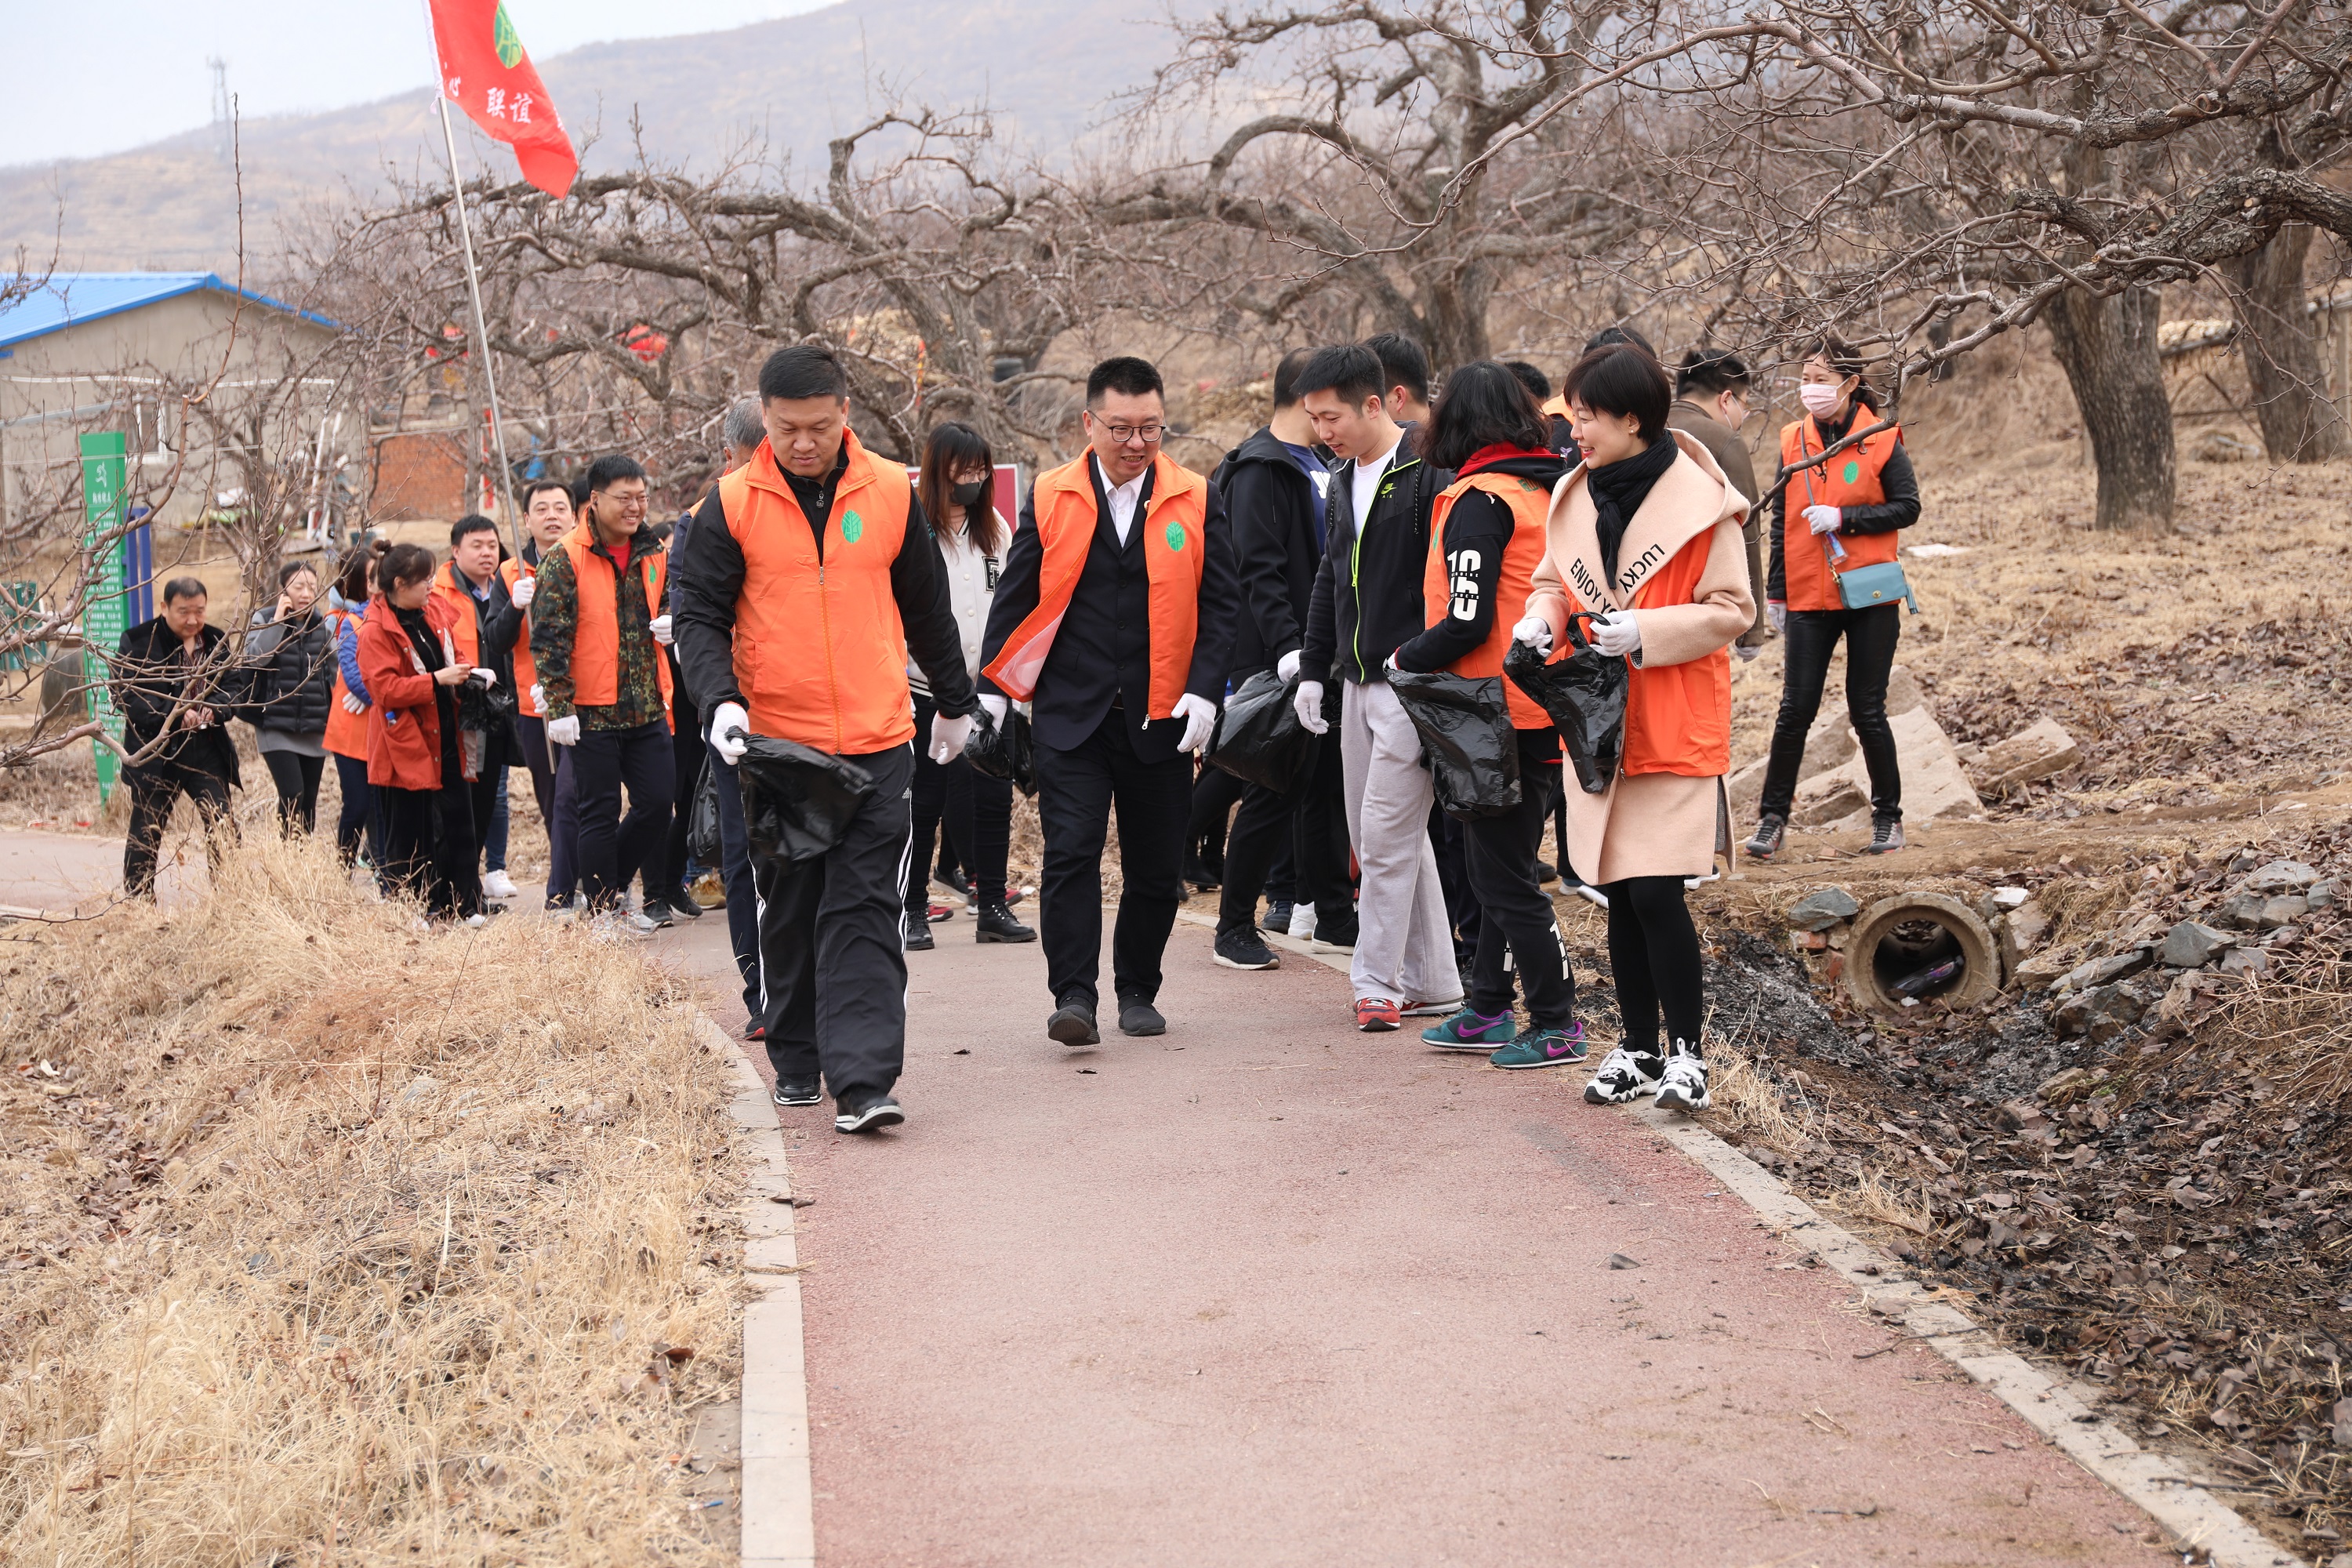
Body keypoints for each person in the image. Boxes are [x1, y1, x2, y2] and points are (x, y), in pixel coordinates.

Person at [675, 344, 978, 1134]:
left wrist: (954, 703)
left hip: (879, 736)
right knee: (791, 906)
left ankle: (863, 1080)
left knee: (865, 907)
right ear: (764, 419)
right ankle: (798, 1054)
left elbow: (926, 606)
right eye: (786, 429)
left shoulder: (889, 492)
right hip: (780, 749)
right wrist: (720, 702)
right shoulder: (729, 506)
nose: (803, 443)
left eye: (818, 426)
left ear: (846, 412)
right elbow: (699, 616)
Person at [1519, 341, 1755, 1112]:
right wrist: (1541, 619)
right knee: (1619, 894)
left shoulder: (1703, 499)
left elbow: (1733, 608)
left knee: (1656, 893)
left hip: (1673, 717)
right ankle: (1639, 1049)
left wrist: (1646, 631)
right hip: (1596, 722)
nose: (1574, 430)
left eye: (1587, 417)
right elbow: (1553, 580)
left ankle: (1688, 1057)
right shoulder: (1574, 492)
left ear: (1632, 419)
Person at [978, 354, 1239, 1047]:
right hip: (1073, 714)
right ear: (1089, 423)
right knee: (1071, 853)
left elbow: (1222, 605)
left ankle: (1137, 989)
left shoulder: (1196, 496)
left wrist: (1205, 692)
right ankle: (1074, 994)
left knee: (1156, 864)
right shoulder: (1050, 494)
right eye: (1121, 428)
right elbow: (1016, 597)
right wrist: (992, 693)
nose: (1136, 442)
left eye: (1150, 428)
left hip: (1163, 713)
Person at [1389, 363, 1581, 1065]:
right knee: (1501, 868)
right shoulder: (1545, 488)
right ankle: (1490, 1008)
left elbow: (1466, 620)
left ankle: (1557, 1021)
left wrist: (1404, 658)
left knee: (1503, 878)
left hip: (1495, 715)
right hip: (1541, 703)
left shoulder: (1480, 500)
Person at [1294, 343, 1465, 1032]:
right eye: (1313, 419)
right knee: (1391, 838)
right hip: (1356, 680)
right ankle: (1436, 981)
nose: (1322, 431)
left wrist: (1423, 662)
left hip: (1411, 680)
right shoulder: (1339, 478)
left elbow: (1448, 578)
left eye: (1331, 417)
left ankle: (1376, 983)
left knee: (1385, 835)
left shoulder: (1428, 469)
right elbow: (1330, 577)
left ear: (1374, 404)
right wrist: (1314, 669)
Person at [1748, 332, 1921, 860]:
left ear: (1849, 383)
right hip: (1807, 592)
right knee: (1794, 709)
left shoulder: (1881, 438)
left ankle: (1888, 817)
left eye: (1820, 379)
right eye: (1805, 378)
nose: (1810, 388)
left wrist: (1845, 518)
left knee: (1866, 708)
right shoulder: (1792, 440)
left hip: (1869, 593)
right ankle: (1772, 820)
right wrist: (1776, 592)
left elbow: (1907, 507)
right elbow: (1782, 519)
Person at [1210, 348, 1354, 971]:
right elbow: (1257, 570)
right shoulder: (1259, 468)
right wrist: (1290, 650)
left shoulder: (1322, 463)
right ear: (1305, 397)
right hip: (1279, 659)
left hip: (1324, 655)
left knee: (1324, 790)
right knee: (1270, 791)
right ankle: (1233, 925)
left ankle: (1335, 916)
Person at [532, 454, 677, 935]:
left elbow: (670, 599)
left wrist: (672, 621)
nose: (636, 507)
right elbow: (548, 639)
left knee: (657, 803)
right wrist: (559, 706)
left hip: (646, 705)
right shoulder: (565, 557)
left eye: (642, 497)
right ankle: (600, 913)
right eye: (625, 498)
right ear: (594, 500)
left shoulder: (653, 551)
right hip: (590, 711)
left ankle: (608, 888)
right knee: (598, 812)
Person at [905, 420, 1033, 949]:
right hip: (925, 690)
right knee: (924, 802)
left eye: (981, 472)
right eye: (964, 472)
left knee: (993, 798)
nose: (974, 482)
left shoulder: (995, 528)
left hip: (990, 693)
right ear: (939, 472)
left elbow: (1012, 600)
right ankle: (911, 908)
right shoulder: (913, 529)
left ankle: (993, 906)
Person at [682, 401, 765, 1034]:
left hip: (822, 710)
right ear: (732, 456)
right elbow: (694, 617)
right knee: (747, 854)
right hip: (738, 712)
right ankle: (762, 988)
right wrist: (720, 701)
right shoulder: (707, 517)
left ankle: (805, 989)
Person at [359, 543, 485, 922]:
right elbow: (384, 691)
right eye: (425, 580)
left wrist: (467, 671)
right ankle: (413, 908)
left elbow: (453, 653)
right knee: (410, 831)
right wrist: (436, 680)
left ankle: (464, 903)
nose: (432, 585)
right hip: (405, 742)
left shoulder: (432, 611)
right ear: (400, 584)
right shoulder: (375, 629)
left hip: (446, 734)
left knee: (460, 822)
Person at [116, 577, 241, 898]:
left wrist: (216, 709)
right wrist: (172, 714)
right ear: (165, 608)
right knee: (147, 828)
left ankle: (228, 897)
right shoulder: (138, 641)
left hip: (205, 747)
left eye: (199, 611)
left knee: (222, 821)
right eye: (184, 611)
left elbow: (234, 687)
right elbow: (127, 697)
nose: (192, 620)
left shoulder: (216, 640)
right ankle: (139, 901)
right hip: (156, 751)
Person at [432, 514, 523, 903]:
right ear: (456, 551)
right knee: (461, 805)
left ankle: (470, 891)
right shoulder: (440, 593)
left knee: (489, 800)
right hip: (462, 712)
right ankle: (451, 891)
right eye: (477, 546)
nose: (487, 553)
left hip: (501, 709)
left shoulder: (508, 586)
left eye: (492, 545)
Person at [1669, 349, 1769, 664]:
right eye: (1745, 404)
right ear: (1727, 399)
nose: (1743, 414)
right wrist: (1751, 629)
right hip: (1706, 600)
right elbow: (1746, 532)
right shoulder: (1724, 441)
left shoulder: (1641, 427)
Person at [505, 478, 576, 909]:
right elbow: (496, 639)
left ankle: (577, 884)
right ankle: (569, 878)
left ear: (575, 515)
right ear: (526, 519)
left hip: (587, 703)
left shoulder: (588, 563)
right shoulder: (511, 572)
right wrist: (514, 606)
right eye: (542, 508)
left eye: (560, 507)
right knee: (552, 800)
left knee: (580, 796)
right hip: (535, 707)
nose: (552, 516)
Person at [245, 559, 336, 837]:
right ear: (283, 590)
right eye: (298, 587)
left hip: (314, 725)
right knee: (292, 793)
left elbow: (335, 674)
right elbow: (255, 659)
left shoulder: (323, 627)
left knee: (308, 801)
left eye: (312, 587)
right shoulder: (263, 620)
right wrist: (278, 622)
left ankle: (300, 856)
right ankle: (288, 850)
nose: (306, 594)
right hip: (275, 725)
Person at [325, 542, 387, 868]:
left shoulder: (391, 616)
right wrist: (376, 695)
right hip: (351, 725)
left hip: (383, 723)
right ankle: (343, 871)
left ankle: (382, 871)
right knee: (358, 804)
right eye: (372, 576)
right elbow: (348, 669)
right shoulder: (343, 620)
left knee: (380, 806)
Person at [1364, 330, 1432, 427]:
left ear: (1399, 397)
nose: (1363, 415)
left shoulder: (1453, 434)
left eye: (1371, 404)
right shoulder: (1448, 428)